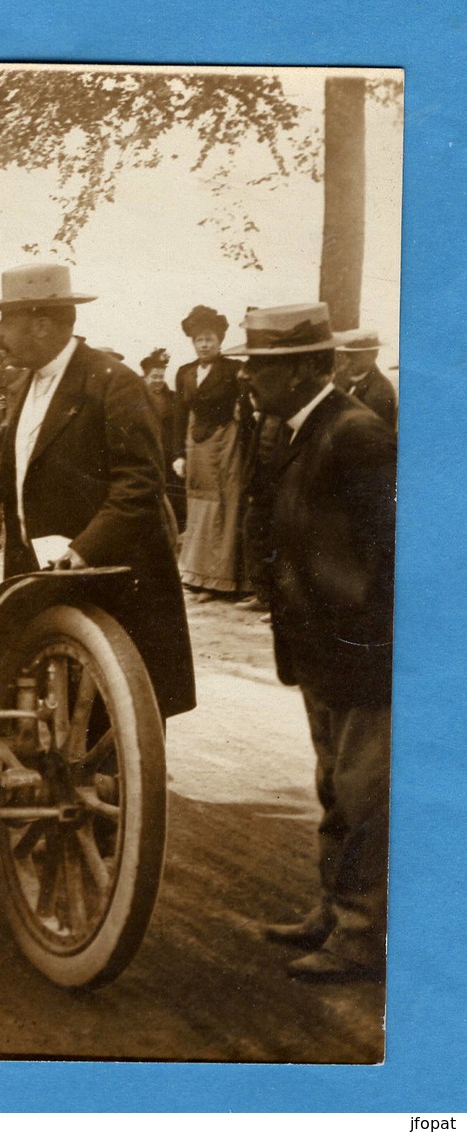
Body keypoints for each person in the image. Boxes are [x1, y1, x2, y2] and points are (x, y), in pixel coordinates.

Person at [227, 303, 394, 984]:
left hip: (362, 650)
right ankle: (333, 908)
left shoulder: (356, 434)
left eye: (263, 369)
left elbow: (391, 553)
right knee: (333, 783)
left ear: (302, 370)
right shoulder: (291, 429)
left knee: (363, 791)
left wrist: (373, 641)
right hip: (321, 646)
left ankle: (360, 931)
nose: (251, 381)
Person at [0, 264, 194, 720]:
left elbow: (140, 482)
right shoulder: (21, 381)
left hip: (107, 574)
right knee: (46, 690)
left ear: (42, 324)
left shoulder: (113, 382)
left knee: (119, 709)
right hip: (41, 568)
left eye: (5, 321)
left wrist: (85, 548)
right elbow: (2, 447)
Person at [174, 305, 254, 600]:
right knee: (199, 506)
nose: (204, 344)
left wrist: (247, 453)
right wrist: (177, 454)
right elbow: (179, 415)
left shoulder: (233, 370)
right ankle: (197, 576)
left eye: (209, 338)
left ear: (220, 340)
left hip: (226, 444)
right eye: (198, 339)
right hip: (196, 446)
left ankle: (222, 581)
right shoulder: (184, 373)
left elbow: (246, 414)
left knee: (225, 506)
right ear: (192, 342)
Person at [141, 348, 185, 531]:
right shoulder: (135, 396)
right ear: (145, 376)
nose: (158, 381)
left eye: (161, 376)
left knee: (171, 491)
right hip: (145, 451)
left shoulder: (172, 398)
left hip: (166, 453)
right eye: (154, 376)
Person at [332, 329, 399, 432]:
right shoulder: (343, 380)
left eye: (355, 355)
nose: (348, 360)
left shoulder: (381, 391)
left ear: (373, 355)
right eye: (346, 354)